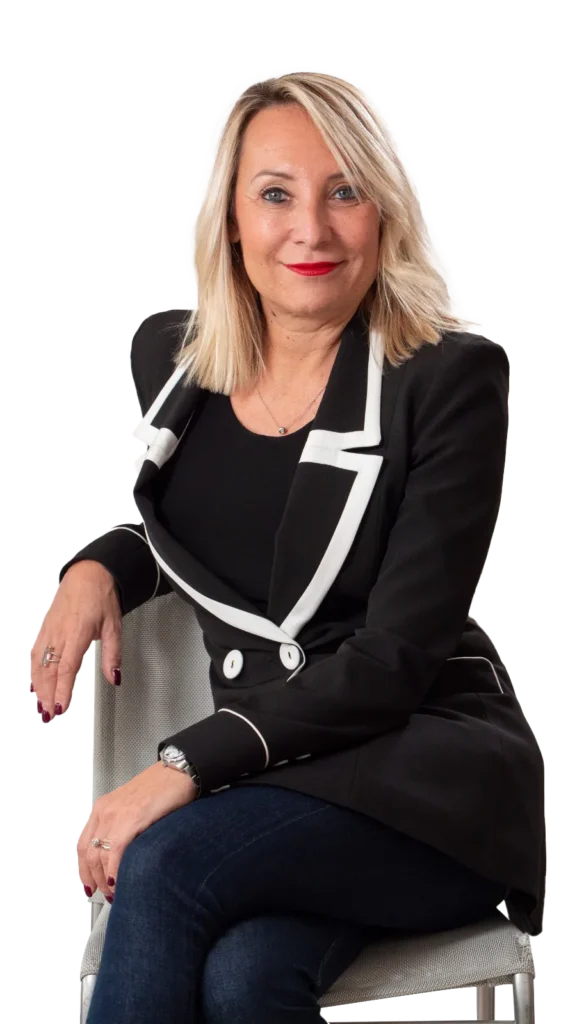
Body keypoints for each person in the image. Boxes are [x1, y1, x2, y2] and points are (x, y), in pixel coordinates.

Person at [31, 72, 546, 1024]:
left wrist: (181, 766)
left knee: (167, 861)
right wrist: (100, 562)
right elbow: (217, 527)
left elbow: (393, 659)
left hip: (429, 789)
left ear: (383, 212)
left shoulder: (448, 379)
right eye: (275, 194)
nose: (311, 229)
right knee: (244, 975)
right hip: (279, 791)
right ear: (230, 217)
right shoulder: (175, 358)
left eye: (344, 191)